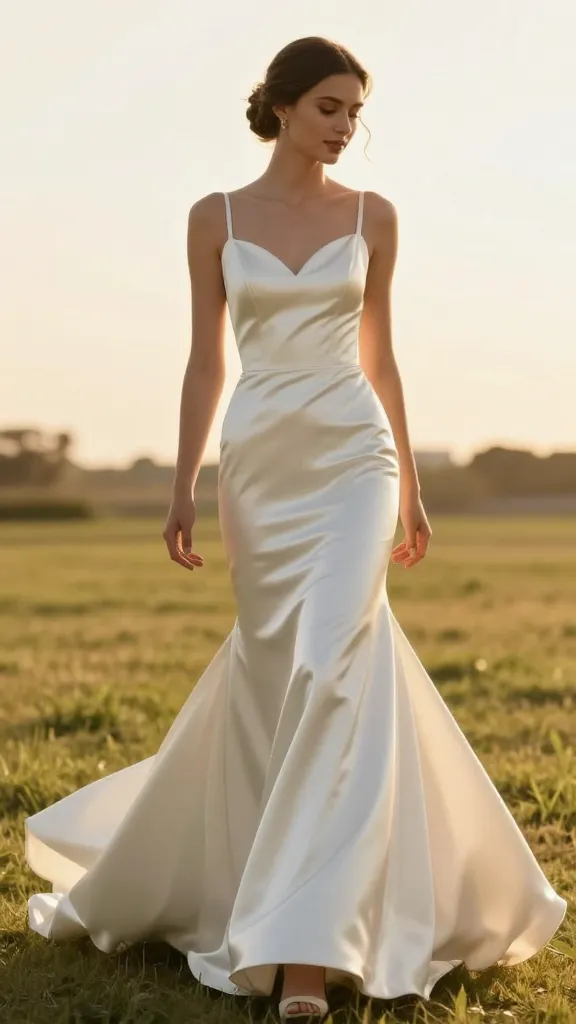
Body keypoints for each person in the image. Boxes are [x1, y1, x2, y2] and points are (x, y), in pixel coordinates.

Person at [25, 35, 566, 1023]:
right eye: (329, 107)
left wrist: (413, 486)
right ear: (278, 105)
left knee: (329, 660)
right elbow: (204, 364)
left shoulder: (375, 219)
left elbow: (382, 355)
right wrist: (184, 481)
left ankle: (306, 951)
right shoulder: (214, 219)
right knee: (283, 672)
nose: (346, 127)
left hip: (356, 458)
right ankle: (253, 878)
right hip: (261, 466)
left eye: (356, 112)